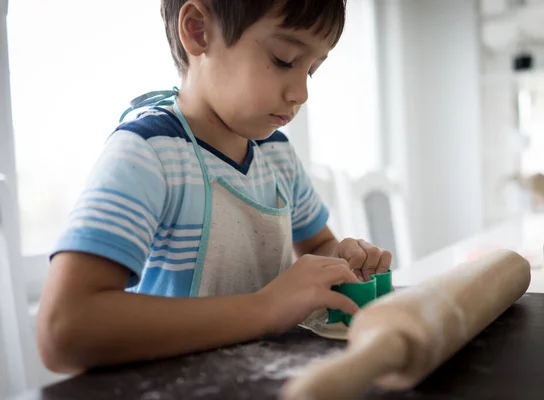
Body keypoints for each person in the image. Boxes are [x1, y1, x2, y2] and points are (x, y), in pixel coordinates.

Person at [37, 0, 392, 373]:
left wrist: (342, 260)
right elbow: (64, 329)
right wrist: (265, 308)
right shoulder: (149, 154)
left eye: (312, 70)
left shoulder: (277, 155)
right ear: (197, 31)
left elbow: (318, 245)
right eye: (285, 60)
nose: (301, 93)